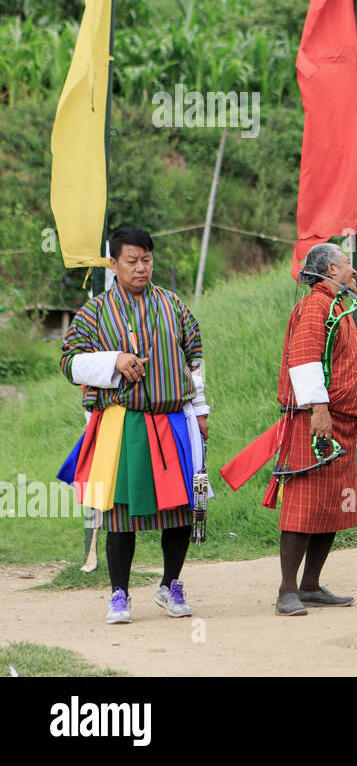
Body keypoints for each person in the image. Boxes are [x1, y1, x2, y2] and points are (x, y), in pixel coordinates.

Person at [57, 227, 210, 624]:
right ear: (113, 263)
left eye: (147, 260)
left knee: (180, 510)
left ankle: (170, 584)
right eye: (132, 261)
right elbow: (69, 363)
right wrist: (113, 362)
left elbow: (195, 355)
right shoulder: (94, 312)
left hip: (173, 421)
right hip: (122, 426)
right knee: (120, 515)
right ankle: (119, 595)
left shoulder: (173, 305)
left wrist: (202, 408)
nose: (141, 268)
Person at [271, 243, 357, 616]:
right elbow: (304, 358)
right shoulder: (316, 305)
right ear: (330, 269)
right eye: (347, 265)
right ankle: (287, 590)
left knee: (330, 506)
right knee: (304, 503)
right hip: (318, 421)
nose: (353, 271)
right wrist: (320, 410)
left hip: (338, 420)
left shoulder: (335, 306)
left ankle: (310, 585)